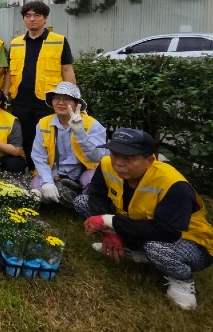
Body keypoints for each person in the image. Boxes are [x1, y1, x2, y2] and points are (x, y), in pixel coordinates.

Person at [76, 128, 213, 310]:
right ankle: (133, 249)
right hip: (139, 224)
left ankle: (182, 281)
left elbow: (167, 231)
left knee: (156, 248)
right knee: (82, 202)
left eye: (129, 158)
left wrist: (108, 222)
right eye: (115, 154)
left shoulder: (173, 184)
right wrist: (109, 232)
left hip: (189, 241)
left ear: (149, 160)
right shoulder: (107, 164)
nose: (118, 163)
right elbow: (96, 195)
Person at [4, 1, 75, 168]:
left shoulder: (59, 41)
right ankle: (32, 168)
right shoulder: (16, 42)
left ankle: (50, 170)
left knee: (48, 137)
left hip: (47, 102)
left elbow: (67, 70)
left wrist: (73, 98)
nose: (32, 19)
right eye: (28, 15)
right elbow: (10, 72)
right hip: (20, 100)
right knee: (26, 137)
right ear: (24, 19)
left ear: (45, 18)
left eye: (37, 15)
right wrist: (4, 95)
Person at [30, 82, 107, 207]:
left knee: (93, 183)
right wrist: (47, 182)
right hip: (54, 171)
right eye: (57, 98)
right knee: (36, 193)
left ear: (77, 103)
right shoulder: (44, 123)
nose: (61, 102)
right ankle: (66, 193)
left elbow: (98, 157)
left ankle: (78, 198)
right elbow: (39, 156)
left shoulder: (92, 124)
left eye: (66, 99)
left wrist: (80, 133)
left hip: (84, 171)